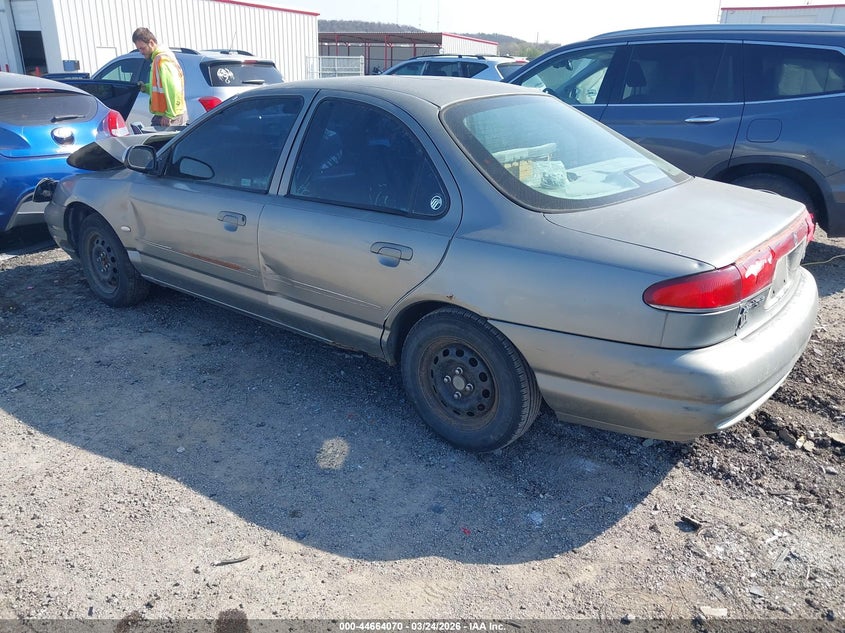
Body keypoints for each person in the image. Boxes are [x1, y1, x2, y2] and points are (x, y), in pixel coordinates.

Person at [132, 27, 187, 127]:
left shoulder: (162, 60)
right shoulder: (161, 59)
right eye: (139, 49)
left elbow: (173, 88)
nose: (141, 52)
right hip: (170, 114)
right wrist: (146, 88)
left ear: (151, 43)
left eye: (142, 48)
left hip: (169, 116)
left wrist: (169, 115)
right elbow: (160, 87)